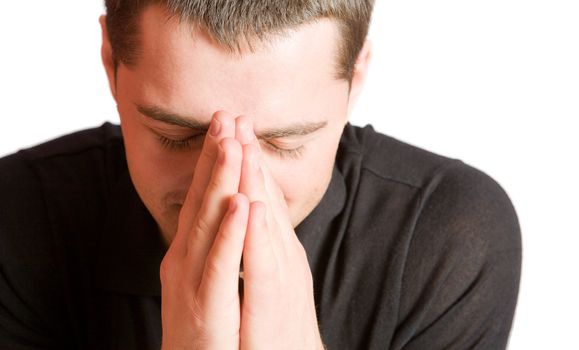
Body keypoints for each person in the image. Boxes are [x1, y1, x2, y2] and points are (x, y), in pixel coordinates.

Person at [0, 1, 522, 349]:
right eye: (176, 136)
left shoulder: (446, 236)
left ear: (355, 75)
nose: (230, 191)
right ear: (111, 62)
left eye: (284, 142)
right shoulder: (16, 217)